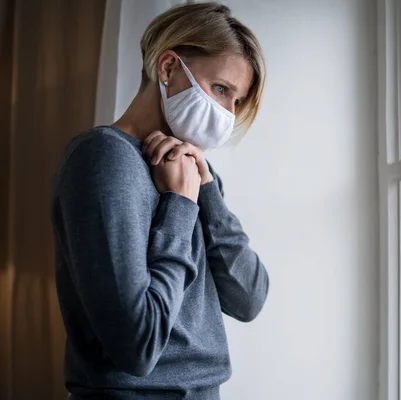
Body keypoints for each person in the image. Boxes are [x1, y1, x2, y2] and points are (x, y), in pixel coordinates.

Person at [50, 3, 269, 399]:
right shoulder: (103, 158)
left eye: (236, 102)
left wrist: (206, 193)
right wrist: (180, 206)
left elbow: (249, 298)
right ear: (167, 68)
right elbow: (138, 345)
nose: (226, 114)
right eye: (221, 89)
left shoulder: (193, 172)